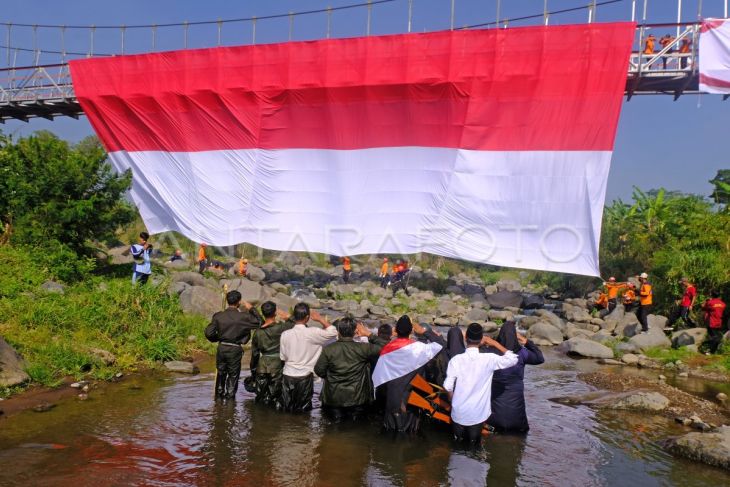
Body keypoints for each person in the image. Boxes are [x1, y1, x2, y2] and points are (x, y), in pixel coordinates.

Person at [444, 323, 518, 446]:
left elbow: (447, 386)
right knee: (474, 445)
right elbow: (513, 359)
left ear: (466, 337)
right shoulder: (489, 359)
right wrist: (495, 344)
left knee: (457, 444)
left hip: (459, 411)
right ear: (481, 338)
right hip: (478, 413)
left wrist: (452, 400)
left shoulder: (456, 360)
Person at [372, 316, 443, 434]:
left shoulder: (387, 349)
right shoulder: (419, 348)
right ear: (411, 331)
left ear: (395, 331)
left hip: (392, 399)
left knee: (391, 433)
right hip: (411, 399)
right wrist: (426, 332)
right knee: (409, 433)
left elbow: (378, 379)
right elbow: (441, 344)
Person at [314, 317, 388, 421]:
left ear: (338, 331)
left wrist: (332, 376)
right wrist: (368, 334)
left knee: (333, 429)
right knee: (356, 428)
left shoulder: (329, 349)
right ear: (355, 332)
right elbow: (386, 346)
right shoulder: (364, 348)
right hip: (358, 398)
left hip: (334, 397)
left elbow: (319, 370)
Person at [486, 321, 545, 433]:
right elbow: (539, 358)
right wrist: (526, 341)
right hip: (517, 416)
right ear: (514, 335)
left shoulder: (491, 353)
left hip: (495, 416)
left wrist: (491, 343)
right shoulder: (522, 353)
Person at [279, 303, 338, 412]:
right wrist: (320, 319)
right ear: (307, 317)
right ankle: (302, 429)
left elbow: (283, 357)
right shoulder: (313, 332)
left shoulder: (285, 334)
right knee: (303, 410)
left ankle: (285, 428)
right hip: (304, 377)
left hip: (287, 375)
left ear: (294, 315)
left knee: (286, 408)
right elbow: (333, 332)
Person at [205, 290, 262, 400]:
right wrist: (251, 309)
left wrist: (218, 339)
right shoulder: (243, 317)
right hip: (234, 350)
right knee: (233, 376)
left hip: (222, 348)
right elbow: (260, 322)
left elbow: (208, 333)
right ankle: (230, 405)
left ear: (227, 301)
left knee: (221, 374)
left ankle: (218, 403)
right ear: (239, 302)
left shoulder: (218, 316)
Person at [249, 301, 293, 407]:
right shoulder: (282, 327)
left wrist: (253, 373)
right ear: (275, 313)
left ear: (263, 314)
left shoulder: (258, 332)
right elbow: (297, 323)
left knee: (260, 397)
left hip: (261, 366)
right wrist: (287, 316)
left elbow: (254, 355)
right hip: (277, 366)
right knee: (275, 397)